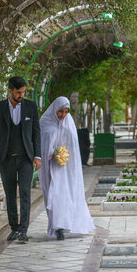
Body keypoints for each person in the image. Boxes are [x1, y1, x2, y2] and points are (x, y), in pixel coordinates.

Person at [0, 76, 41, 243]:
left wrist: (37, 155)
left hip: (26, 158)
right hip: (6, 158)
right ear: (10, 91)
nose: (21, 95)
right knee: (10, 195)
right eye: (18, 92)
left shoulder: (31, 106)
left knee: (25, 193)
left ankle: (23, 230)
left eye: (23, 92)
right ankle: (14, 228)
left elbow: (36, 132)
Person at [39, 97, 95, 240]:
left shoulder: (68, 122)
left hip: (66, 167)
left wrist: (63, 155)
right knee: (54, 195)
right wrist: (52, 154)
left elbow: (73, 145)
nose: (63, 115)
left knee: (65, 195)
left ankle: (63, 225)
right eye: (60, 112)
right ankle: (56, 226)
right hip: (51, 166)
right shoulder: (45, 122)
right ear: (54, 110)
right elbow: (41, 144)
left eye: (66, 111)